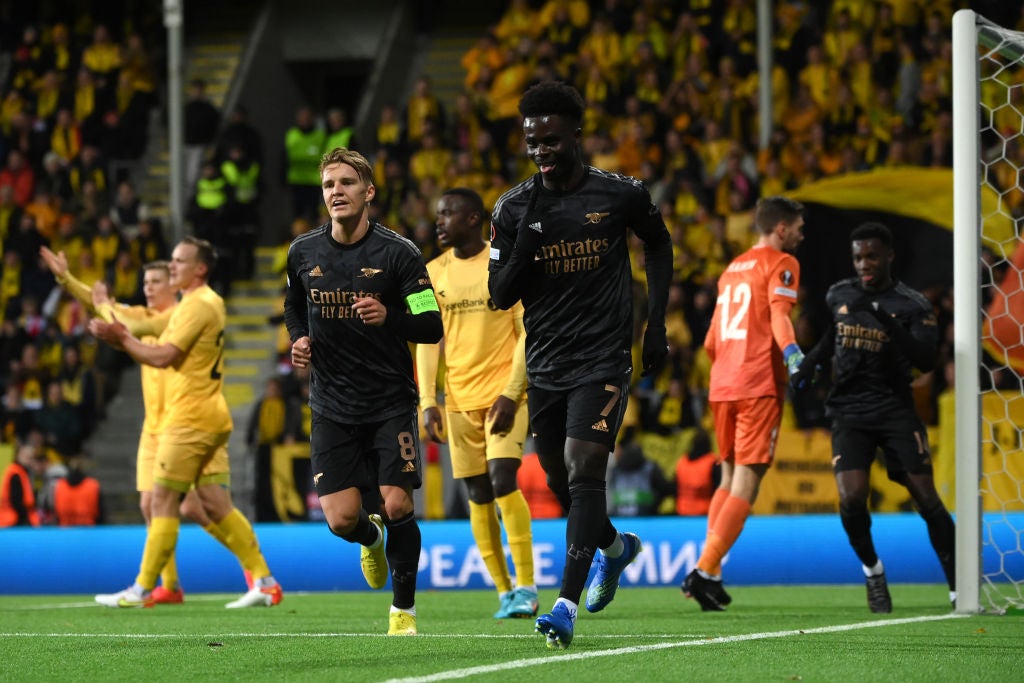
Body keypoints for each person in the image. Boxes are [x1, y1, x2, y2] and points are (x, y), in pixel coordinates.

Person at [487, 81, 673, 649]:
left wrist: (656, 321)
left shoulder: (619, 194)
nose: (540, 151)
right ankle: (616, 550)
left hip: (604, 357)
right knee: (560, 480)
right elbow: (499, 294)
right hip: (546, 362)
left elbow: (658, 243)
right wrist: (527, 238)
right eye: (531, 142)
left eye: (550, 140)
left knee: (584, 465)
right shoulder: (514, 207)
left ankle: (564, 606)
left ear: (576, 134)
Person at [283, 147, 442, 635]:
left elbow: (431, 325)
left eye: (346, 183)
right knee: (340, 519)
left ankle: (403, 611)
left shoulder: (400, 254)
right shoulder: (303, 253)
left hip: (390, 402)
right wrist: (299, 340)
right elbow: (293, 305)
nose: (336, 192)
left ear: (368, 191)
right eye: (329, 185)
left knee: (397, 503)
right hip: (331, 405)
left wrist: (389, 318)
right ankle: (370, 540)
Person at [39, 246, 248, 604]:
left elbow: (116, 316)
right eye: (145, 281)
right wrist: (67, 279)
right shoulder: (147, 314)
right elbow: (109, 308)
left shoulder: (178, 317)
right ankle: (169, 586)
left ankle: (251, 570)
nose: (148, 287)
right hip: (155, 426)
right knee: (152, 505)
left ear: (174, 283)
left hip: (186, 422)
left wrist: (107, 310)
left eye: (156, 281)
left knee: (197, 507)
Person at [88, 236, 283, 609]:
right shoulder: (195, 304)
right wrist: (116, 326)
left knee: (161, 498)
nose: (172, 266)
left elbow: (162, 356)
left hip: (190, 418)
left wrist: (122, 338)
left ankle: (143, 589)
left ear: (200, 269)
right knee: (212, 504)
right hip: (207, 414)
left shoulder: (198, 305)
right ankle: (265, 582)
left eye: (179, 261)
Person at [792, 222, 955, 612]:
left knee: (926, 498)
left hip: (896, 410)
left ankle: (957, 585)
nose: (864, 264)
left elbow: (926, 360)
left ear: (889, 257)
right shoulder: (839, 294)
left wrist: (883, 320)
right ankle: (873, 571)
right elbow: (835, 336)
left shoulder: (912, 304)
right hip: (849, 411)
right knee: (850, 500)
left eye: (872, 256)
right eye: (858, 257)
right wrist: (810, 363)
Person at [416, 187, 538, 620]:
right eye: (438, 213)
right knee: (477, 492)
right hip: (458, 401)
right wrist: (428, 400)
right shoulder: (427, 274)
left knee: (503, 478)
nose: (439, 221)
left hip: (506, 395)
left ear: (472, 219)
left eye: (447, 213)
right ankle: (505, 591)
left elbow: (528, 331)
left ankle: (527, 584)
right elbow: (426, 338)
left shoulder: (504, 264)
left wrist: (511, 391)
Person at [680, 196, 806, 612]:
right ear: (782, 229)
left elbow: (711, 341)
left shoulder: (732, 269)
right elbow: (779, 316)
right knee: (747, 486)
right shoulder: (782, 262)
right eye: (799, 227)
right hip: (757, 382)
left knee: (727, 479)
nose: (802, 235)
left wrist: (728, 369)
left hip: (722, 385)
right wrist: (791, 352)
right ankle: (703, 568)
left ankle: (710, 575)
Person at [0, 439, 44, 526]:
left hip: (13, 519)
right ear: (18, 455)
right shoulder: (15, 474)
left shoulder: (21, 472)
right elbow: (16, 501)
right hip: (13, 520)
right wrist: (26, 519)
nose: (29, 460)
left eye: (31, 457)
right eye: (26, 456)